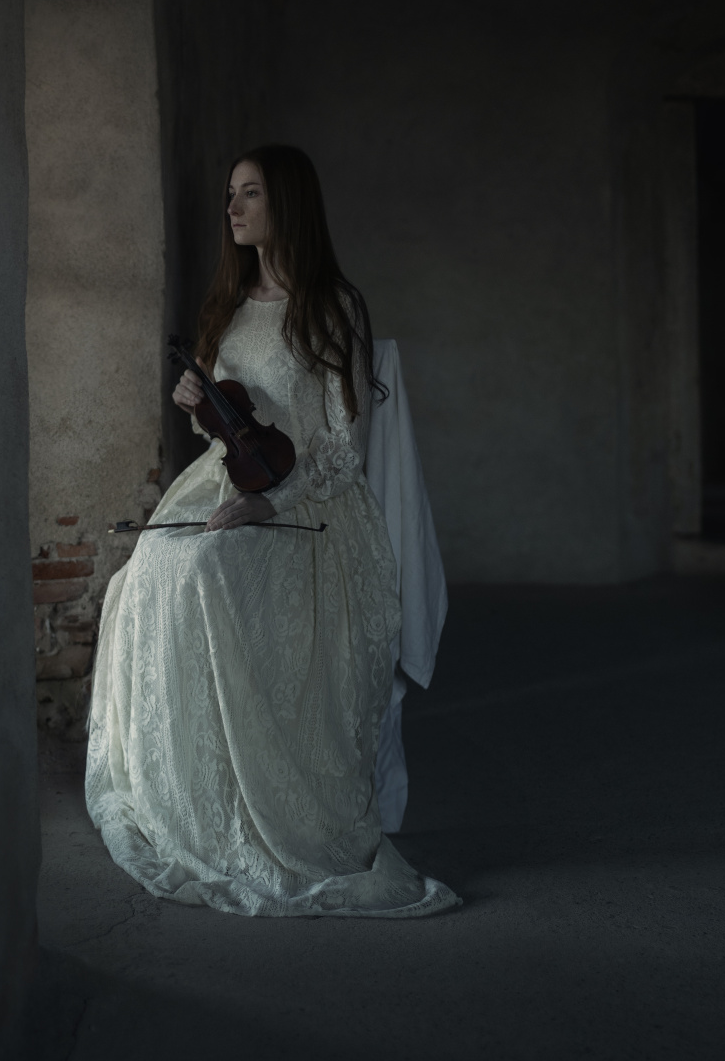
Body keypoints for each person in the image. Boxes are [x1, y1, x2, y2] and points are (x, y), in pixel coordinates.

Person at [85, 143, 459, 918]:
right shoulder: (228, 303)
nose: (232, 208)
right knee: (146, 569)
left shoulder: (333, 306)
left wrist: (274, 505)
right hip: (230, 477)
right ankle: (192, 794)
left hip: (314, 502)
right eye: (231, 193)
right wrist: (199, 405)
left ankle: (263, 802)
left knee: (205, 571)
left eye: (249, 193)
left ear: (286, 202)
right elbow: (225, 430)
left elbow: (341, 447)